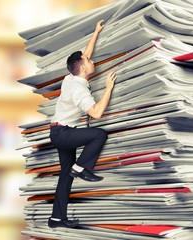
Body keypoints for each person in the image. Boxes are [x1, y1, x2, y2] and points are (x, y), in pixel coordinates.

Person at [47, 20, 117, 228]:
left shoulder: (71, 77)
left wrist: (96, 32)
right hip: (63, 133)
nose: (91, 58)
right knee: (99, 134)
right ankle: (80, 167)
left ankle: (56, 218)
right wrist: (108, 88)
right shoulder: (79, 89)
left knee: (64, 177)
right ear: (83, 67)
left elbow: (83, 55)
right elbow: (96, 113)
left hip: (58, 132)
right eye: (88, 59)